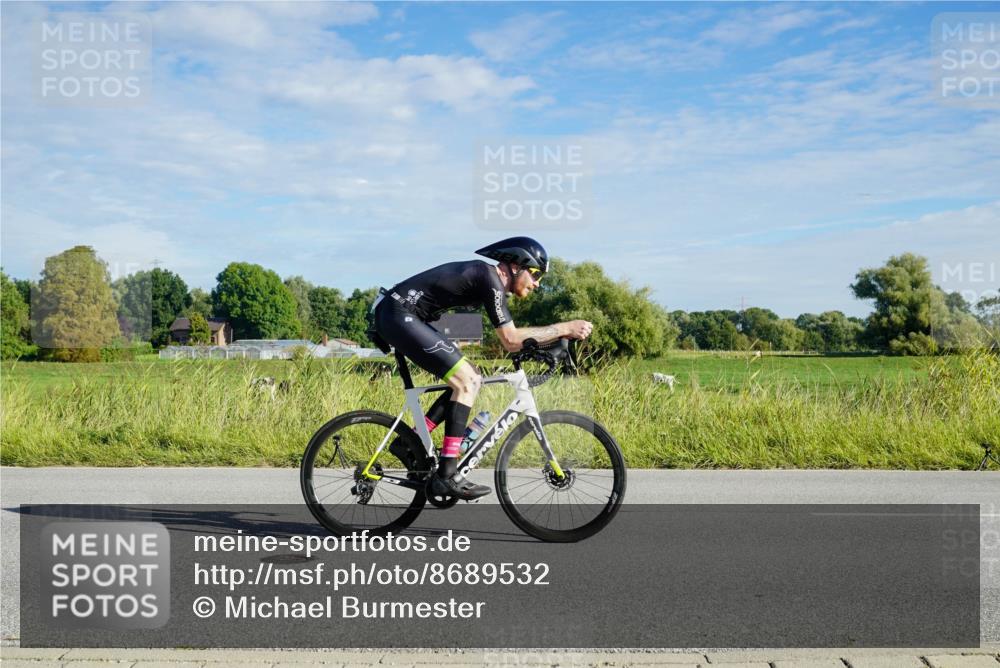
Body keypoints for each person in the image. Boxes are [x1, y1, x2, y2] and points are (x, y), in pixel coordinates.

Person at [372, 237, 593, 500]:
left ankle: (411, 443)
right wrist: (565, 328)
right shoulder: (488, 278)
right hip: (399, 315)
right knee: (466, 381)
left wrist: (552, 344)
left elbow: (515, 340)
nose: (537, 284)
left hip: (404, 315)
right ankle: (447, 474)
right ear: (514, 265)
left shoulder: (488, 281)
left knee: (471, 377)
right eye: (535, 274)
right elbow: (510, 340)